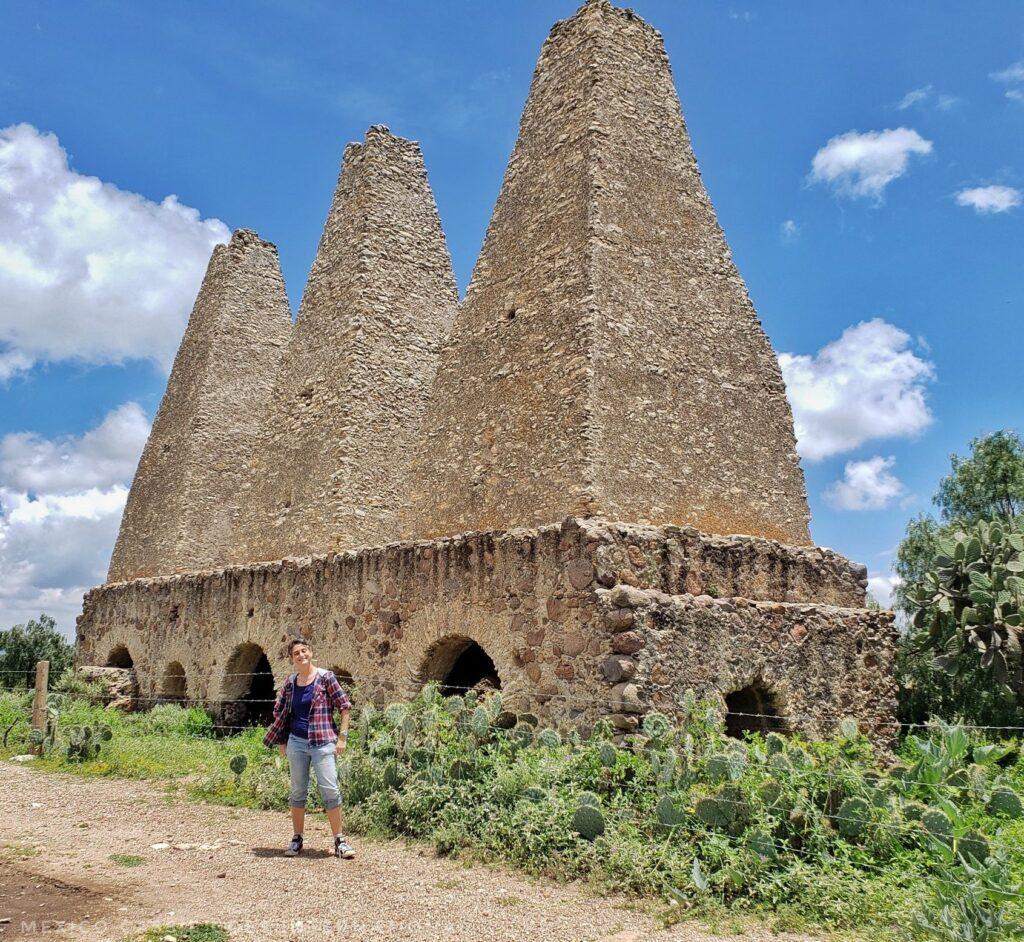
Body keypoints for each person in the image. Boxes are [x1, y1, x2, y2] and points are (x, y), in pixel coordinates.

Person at [263, 637, 355, 859]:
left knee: (330, 790)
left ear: (311, 653)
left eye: (304, 651)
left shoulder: (326, 678)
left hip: (323, 742)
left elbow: (344, 707)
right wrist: (282, 741)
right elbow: (280, 711)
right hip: (297, 742)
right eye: (296, 653)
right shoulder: (291, 683)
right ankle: (297, 838)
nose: (301, 655)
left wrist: (342, 738)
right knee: (297, 791)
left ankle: (339, 840)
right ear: (292, 658)